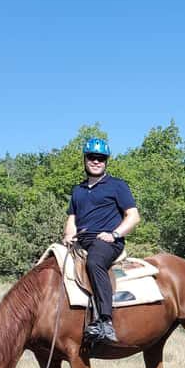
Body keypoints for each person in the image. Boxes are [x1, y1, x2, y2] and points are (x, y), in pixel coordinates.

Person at [63, 137, 140, 343]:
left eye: (100, 158)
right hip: (81, 241)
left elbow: (133, 216)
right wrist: (68, 235)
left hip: (107, 242)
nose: (96, 162)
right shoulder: (78, 190)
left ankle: (105, 321)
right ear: (85, 159)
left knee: (95, 261)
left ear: (106, 161)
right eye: (92, 157)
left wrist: (114, 234)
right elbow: (72, 218)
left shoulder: (117, 186)